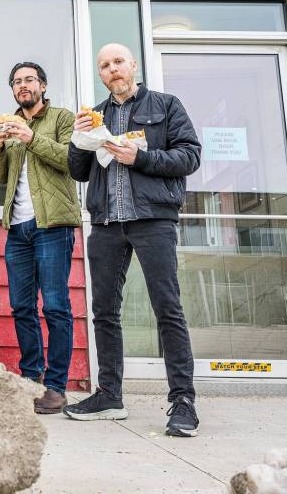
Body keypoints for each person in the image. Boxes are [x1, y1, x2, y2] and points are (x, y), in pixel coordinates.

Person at [65, 42, 202, 438]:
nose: (112, 70)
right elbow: (78, 172)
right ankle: (109, 394)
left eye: (118, 62)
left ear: (133, 65)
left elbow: (189, 157)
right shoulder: (96, 115)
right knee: (104, 312)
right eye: (105, 65)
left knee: (167, 307)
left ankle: (183, 400)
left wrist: (138, 158)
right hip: (107, 223)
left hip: (153, 219)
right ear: (101, 74)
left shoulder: (166, 105)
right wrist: (78, 138)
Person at [0, 62, 80, 415]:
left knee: (56, 306)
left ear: (42, 84)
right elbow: (0, 179)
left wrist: (30, 137)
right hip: (18, 228)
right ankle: (31, 379)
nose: (23, 86)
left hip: (52, 226)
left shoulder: (61, 118)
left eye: (29, 80)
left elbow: (73, 161)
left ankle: (56, 386)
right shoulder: (10, 124)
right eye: (17, 82)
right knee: (22, 307)